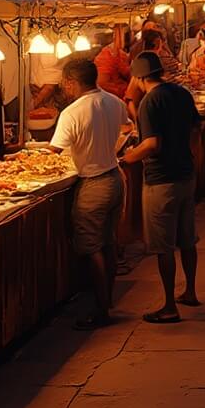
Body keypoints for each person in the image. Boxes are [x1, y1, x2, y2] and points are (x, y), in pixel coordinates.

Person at [121, 52, 201, 324]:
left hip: (161, 180)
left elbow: (151, 144)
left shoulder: (149, 102)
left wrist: (125, 158)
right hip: (186, 176)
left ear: (139, 77)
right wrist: (188, 155)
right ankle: (189, 290)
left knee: (163, 245)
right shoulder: (181, 93)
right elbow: (195, 130)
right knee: (188, 239)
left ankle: (169, 305)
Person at [51, 57, 129, 330]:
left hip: (93, 184)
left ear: (71, 83)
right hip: (114, 178)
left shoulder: (72, 112)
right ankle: (107, 300)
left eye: (64, 83)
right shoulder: (113, 101)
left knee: (91, 246)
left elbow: (53, 153)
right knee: (107, 242)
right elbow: (127, 127)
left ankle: (101, 309)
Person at [95, 25, 132, 99]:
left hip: (101, 93)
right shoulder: (115, 53)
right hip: (115, 93)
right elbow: (128, 73)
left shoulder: (100, 55)